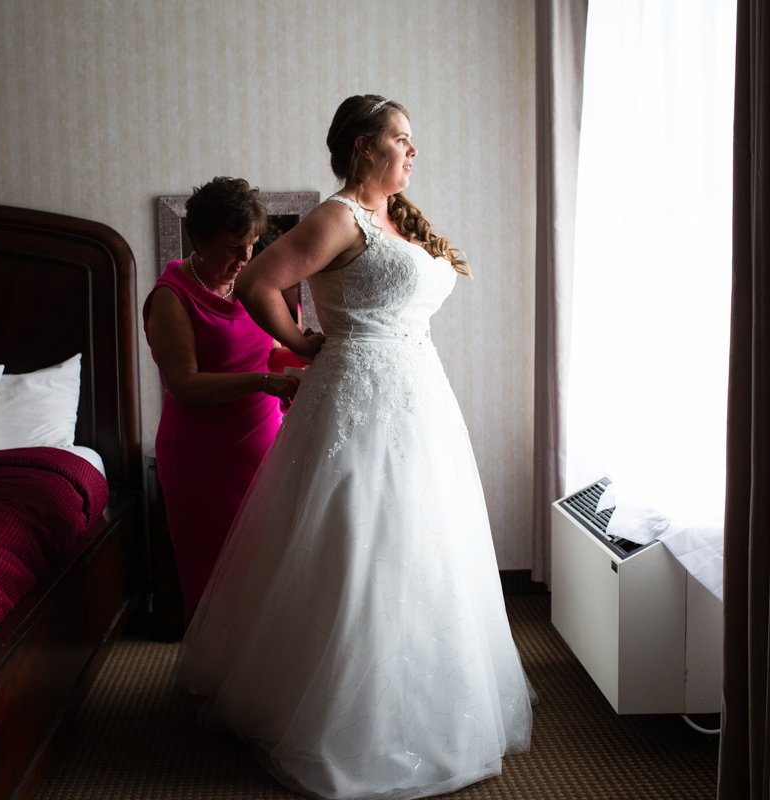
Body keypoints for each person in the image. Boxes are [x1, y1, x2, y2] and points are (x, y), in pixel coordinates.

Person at [178, 96, 534, 799]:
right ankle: (341, 714)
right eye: (402, 139)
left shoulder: (397, 218)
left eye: (413, 141)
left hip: (420, 394)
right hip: (357, 392)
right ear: (364, 147)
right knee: (358, 540)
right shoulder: (337, 216)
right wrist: (299, 341)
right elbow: (257, 282)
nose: (413, 151)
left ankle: (427, 699)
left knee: (424, 542)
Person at [143, 177, 300, 624]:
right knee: (210, 576)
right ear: (200, 239)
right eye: (234, 246)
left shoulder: (250, 284)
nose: (245, 258)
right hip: (202, 456)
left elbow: (270, 350)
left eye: (251, 244)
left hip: (264, 445)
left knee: (264, 568)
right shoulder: (171, 298)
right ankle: (203, 684)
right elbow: (183, 384)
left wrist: (313, 351)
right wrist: (262, 383)